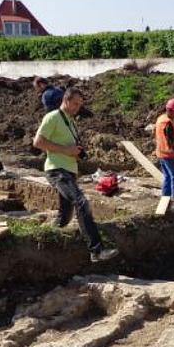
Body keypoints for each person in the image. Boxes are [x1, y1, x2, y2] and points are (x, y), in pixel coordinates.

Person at [33, 87, 119, 263]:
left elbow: (67, 146)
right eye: (75, 104)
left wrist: (75, 152)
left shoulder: (70, 121)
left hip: (69, 170)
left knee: (64, 215)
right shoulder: (53, 117)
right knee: (81, 202)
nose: (77, 108)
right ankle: (96, 250)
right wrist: (66, 150)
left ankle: (45, 243)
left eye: (80, 104)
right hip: (57, 170)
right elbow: (38, 142)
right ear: (65, 100)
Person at [154, 98, 174, 201]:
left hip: (160, 153)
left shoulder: (160, 119)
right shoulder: (168, 123)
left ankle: (165, 198)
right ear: (172, 110)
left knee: (167, 176)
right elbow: (172, 143)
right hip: (168, 155)